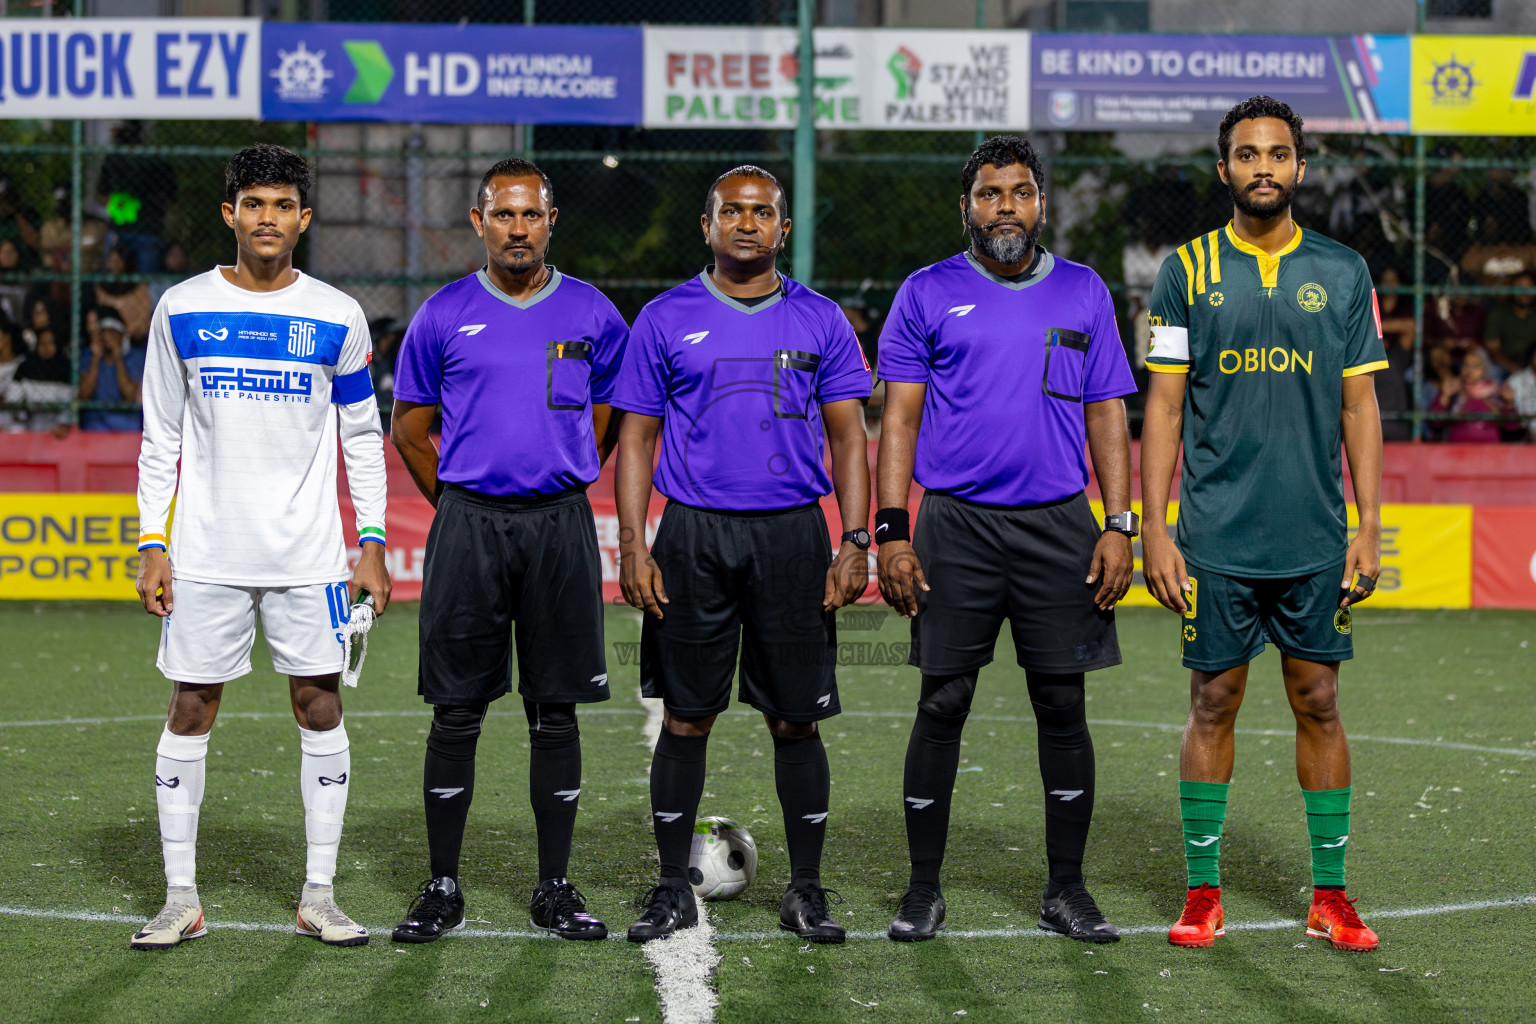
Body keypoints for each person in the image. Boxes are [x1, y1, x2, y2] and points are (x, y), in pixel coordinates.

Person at [875, 136, 1137, 945]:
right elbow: (901, 420)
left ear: (1041, 205)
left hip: (1061, 523)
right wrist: (892, 531)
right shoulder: (925, 293)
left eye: (1021, 193)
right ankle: (923, 890)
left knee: (1062, 703)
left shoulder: (1086, 291)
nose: (1006, 209)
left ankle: (1067, 889)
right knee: (943, 700)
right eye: (991, 195)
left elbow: (1108, 417)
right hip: (956, 523)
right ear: (967, 208)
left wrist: (1119, 524)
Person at [1141, 96, 1387, 953]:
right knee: (1214, 699)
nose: (1263, 168)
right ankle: (1203, 891)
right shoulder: (1185, 270)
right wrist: (1157, 530)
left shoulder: (1346, 272)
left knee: (1318, 698)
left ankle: (1331, 893)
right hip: (1215, 536)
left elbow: (1361, 404)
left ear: (1301, 168)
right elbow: (1164, 407)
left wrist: (1370, 525)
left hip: (1317, 536)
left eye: (1278, 154)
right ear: (1224, 171)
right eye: (1247, 155)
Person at [130, 144, 390, 950]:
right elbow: (160, 437)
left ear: (303, 220)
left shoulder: (337, 315)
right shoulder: (181, 307)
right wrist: (152, 541)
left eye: (283, 205)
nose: (268, 219)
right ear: (230, 215)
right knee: (190, 706)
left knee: (320, 704)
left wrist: (372, 541)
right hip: (205, 552)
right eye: (254, 204)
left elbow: (362, 438)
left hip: (308, 556)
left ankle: (320, 893)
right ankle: (181, 897)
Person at [613, 165, 871, 943]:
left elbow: (850, 437)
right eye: (733, 211)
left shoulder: (822, 319)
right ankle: (669, 888)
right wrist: (634, 542)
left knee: (796, 721)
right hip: (692, 534)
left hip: (793, 534)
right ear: (708, 225)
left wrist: (855, 539)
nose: (748, 223)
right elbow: (636, 438)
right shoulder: (663, 318)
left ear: (783, 230)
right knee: (687, 717)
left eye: (763, 212)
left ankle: (807, 891)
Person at [387, 158, 627, 944]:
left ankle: (555, 886)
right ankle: (442, 884)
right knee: (456, 712)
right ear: (478, 221)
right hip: (469, 527)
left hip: (559, 524)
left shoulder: (594, 313)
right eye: (504, 214)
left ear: (552, 219)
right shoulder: (442, 314)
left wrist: (561, 472)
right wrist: (459, 503)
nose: (517, 228)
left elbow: (613, 414)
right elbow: (412, 431)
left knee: (554, 712)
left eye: (532, 214)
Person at [96, 121, 177, 274]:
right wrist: (118, 203)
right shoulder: (114, 159)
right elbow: (100, 195)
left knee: (147, 279)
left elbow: (170, 196)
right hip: (120, 230)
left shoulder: (155, 159)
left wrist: (147, 200)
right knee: (111, 273)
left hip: (148, 230)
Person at [1429, 347, 1512, 443]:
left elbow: (1511, 426)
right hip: (1457, 452)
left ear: (1484, 368)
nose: (1470, 370)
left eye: (1475, 366)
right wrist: (1445, 396)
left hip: (1490, 452)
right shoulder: (1454, 389)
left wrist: (1509, 402)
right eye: (1466, 365)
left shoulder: (1496, 392)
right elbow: (1435, 423)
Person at [79, 312, 145, 431]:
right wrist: (96, 358)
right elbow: (84, 395)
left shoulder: (135, 357)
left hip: (126, 422)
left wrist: (118, 357)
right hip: (96, 423)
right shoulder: (88, 356)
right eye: (103, 332)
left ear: (122, 335)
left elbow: (130, 396)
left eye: (112, 332)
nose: (107, 336)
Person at [96, 244, 154, 341]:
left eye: (117, 261)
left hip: (135, 339)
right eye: (111, 260)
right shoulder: (101, 288)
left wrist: (126, 333)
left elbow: (144, 317)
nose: (113, 265)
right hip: (107, 340)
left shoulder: (140, 288)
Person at [1484, 271, 1536, 378]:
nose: (1525, 291)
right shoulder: (1499, 313)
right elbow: (1493, 349)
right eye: (1520, 287)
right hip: (1505, 365)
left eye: (1529, 287)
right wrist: (1514, 369)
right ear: (1511, 289)